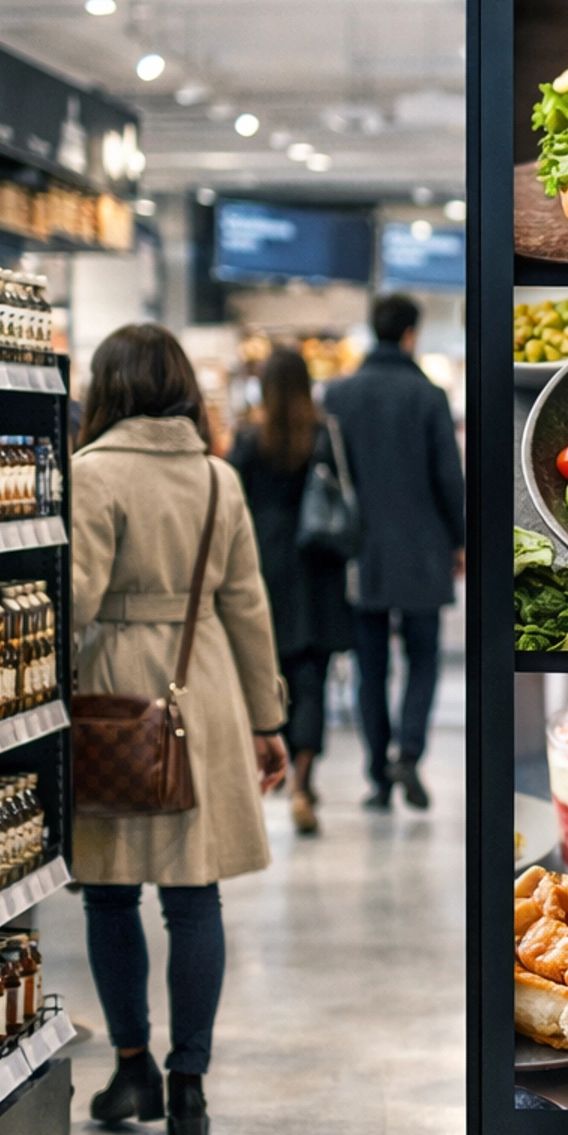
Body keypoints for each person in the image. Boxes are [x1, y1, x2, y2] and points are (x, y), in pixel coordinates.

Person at [72, 324, 289, 1135]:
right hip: (203, 686)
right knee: (196, 896)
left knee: (111, 888)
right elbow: (247, 602)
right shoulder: (216, 476)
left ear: (109, 388)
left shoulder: (91, 476)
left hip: (118, 691)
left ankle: (133, 1067)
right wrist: (269, 719)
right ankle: (189, 1082)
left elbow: (79, 597)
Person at [324, 292, 465, 810]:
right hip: (423, 548)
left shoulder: (338, 396)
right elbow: (450, 478)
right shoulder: (427, 396)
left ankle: (377, 775)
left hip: (360, 552)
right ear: (410, 334)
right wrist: (460, 539)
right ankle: (409, 751)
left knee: (371, 664)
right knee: (423, 656)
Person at [229, 347, 354, 834]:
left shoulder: (247, 438)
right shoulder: (322, 435)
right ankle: (302, 782)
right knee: (311, 678)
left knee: (264, 673)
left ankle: (264, 774)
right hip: (316, 566)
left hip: (261, 564)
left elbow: (231, 500)